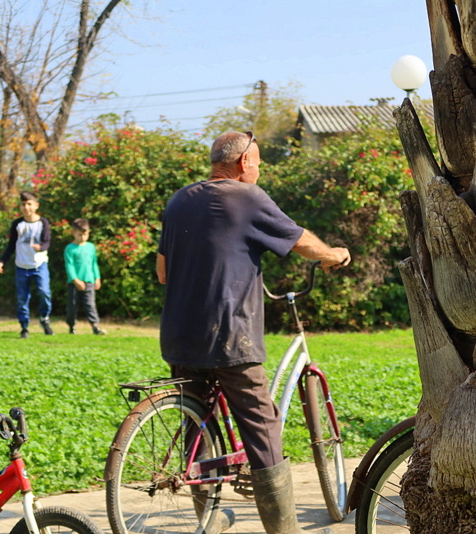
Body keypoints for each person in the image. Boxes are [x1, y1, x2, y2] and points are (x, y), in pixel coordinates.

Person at [157, 131, 349, 534]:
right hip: (230, 337)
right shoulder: (246, 197)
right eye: (258, 163)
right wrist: (333, 255)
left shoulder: (179, 200)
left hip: (178, 336)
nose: (259, 170)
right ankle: (284, 530)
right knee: (262, 426)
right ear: (244, 163)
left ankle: (207, 517)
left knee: (197, 426)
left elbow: (162, 272)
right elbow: (299, 240)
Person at [0, 191, 53, 338]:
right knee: (22, 298)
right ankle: (24, 327)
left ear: (36, 205)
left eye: (29, 204)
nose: (26, 207)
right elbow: (11, 246)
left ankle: (44, 318)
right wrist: (2, 262)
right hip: (21, 266)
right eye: (23, 204)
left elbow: (47, 242)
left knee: (44, 292)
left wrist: (41, 247)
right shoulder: (17, 224)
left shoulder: (43, 223)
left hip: (39, 265)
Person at [63, 218, 106, 335]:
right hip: (74, 283)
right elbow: (69, 266)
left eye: (85, 234)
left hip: (89, 280)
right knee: (72, 306)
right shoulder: (70, 248)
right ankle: (71, 326)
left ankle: (95, 326)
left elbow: (94, 263)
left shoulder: (90, 247)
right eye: (79, 234)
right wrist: (75, 280)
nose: (82, 237)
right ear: (74, 233)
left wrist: (97, 277)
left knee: (90, 305)